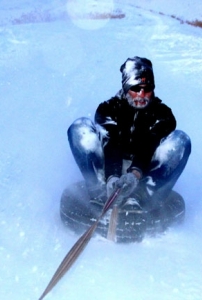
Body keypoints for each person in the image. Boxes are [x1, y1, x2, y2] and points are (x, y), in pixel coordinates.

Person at [67, 56, 191, 213]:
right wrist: (112, 176)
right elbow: (111, 140)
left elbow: (150, 142)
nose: (141, 94)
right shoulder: (108, 108)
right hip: (109, 166)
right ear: (126, 88)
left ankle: (142, 197)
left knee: (181, 140)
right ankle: (100, 193)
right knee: (79, 126)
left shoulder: (163, 114)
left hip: (144, 170)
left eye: (147, 89)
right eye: (135, 88)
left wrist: (135, 173)